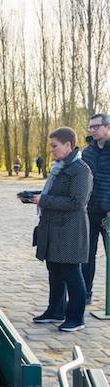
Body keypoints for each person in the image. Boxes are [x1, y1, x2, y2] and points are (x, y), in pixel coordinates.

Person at [29, 127, 92, 332]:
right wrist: (34, 196)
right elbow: (56, 194)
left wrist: (44, 200)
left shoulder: (81, 169)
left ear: (68, 145)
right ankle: (56, 310)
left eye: (54, 146)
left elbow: (77, 201)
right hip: (54, 229)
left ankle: (76, 317)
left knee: (72, 273)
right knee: (54, 271)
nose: (52, 150)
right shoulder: (60, 167)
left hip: (70, 231)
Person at [80, 113, 110, 305]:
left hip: (109, 213)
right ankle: (86, 294)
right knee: (86, 256)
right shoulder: (87, 152)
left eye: (96, 126)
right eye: (90, 127)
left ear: (108, 127)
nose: (92, 130)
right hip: (89, 211)